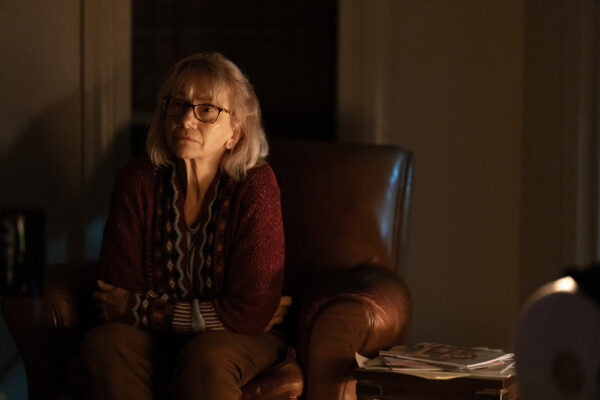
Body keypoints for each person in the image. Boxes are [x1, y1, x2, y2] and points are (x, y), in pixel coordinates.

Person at [75, 52, 291, 400]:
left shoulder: (256, 186)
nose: (186, 120)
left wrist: (142, 307)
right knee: (106, 343)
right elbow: (117, 294)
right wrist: (222, 314)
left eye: (206, 110)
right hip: (152, 338)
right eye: (177, 105)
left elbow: (250, 314)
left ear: (235, 131)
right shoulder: (137, 181)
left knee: (207, 354)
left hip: (234, 344)